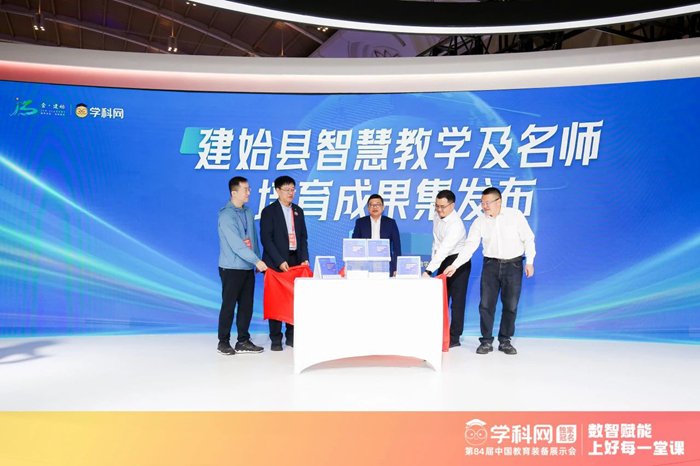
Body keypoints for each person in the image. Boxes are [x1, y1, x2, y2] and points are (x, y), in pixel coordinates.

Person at [444, 187, 535, 356]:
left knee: (511, 305)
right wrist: (455, 265)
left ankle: (505, 340)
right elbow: (470, 246)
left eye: (487, 203)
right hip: (490, 266)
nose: (484, 206)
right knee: (486, 305)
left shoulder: (515, 216)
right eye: (482, 203)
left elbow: (528, 239)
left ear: (498, 201)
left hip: (513, 265)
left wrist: (529, 261)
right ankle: (486, 341)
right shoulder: (480, 222)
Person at [217, 176, 268, 356]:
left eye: (249, 189)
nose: (248, 192)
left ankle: (243, 341)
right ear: (234, 192)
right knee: (229, 305)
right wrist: (256, 261)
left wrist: (257, 259)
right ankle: (223, 342)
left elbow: (253, 239)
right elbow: (236, 244)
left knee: (246, 306)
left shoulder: (248, 211)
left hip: (247, 267)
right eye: (245, 189)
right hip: (231, 268)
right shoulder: (226, 215)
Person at [260, 175, 309, 351]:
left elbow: (302, 237)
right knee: (276, 300)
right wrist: (279, 261)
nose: (290, 193)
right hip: (275, 262)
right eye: (286, 189)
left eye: (293, 189)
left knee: (293, 299)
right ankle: (275, 338)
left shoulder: (298, 211)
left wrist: (304, 258)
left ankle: (291, 336)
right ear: (277, 191)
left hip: (295, 261)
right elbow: (266, 239)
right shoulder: (269, 211)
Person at [421, 190, 471, 348]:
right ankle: (440, 334)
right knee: (441, 300)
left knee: (457, 302)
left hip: (458, 262)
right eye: (436, 206)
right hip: (442, 260)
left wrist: (429, 271)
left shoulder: (456, 225)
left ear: (452, 205)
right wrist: (433, 263)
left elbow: (445, 248)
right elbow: (436, 243)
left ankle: (454, 337)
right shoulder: (436, 216)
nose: (439, 210)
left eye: (443, 207)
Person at [352, 194, 402, 275]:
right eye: (372, 205)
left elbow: (397, 247)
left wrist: (396, 267)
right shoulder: (360, 222)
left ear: (383, 207)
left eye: (378, 205)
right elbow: (355, 243)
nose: (375, 207)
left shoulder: (390, 223)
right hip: (365, 263)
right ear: (368, 208)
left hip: (385, 263)